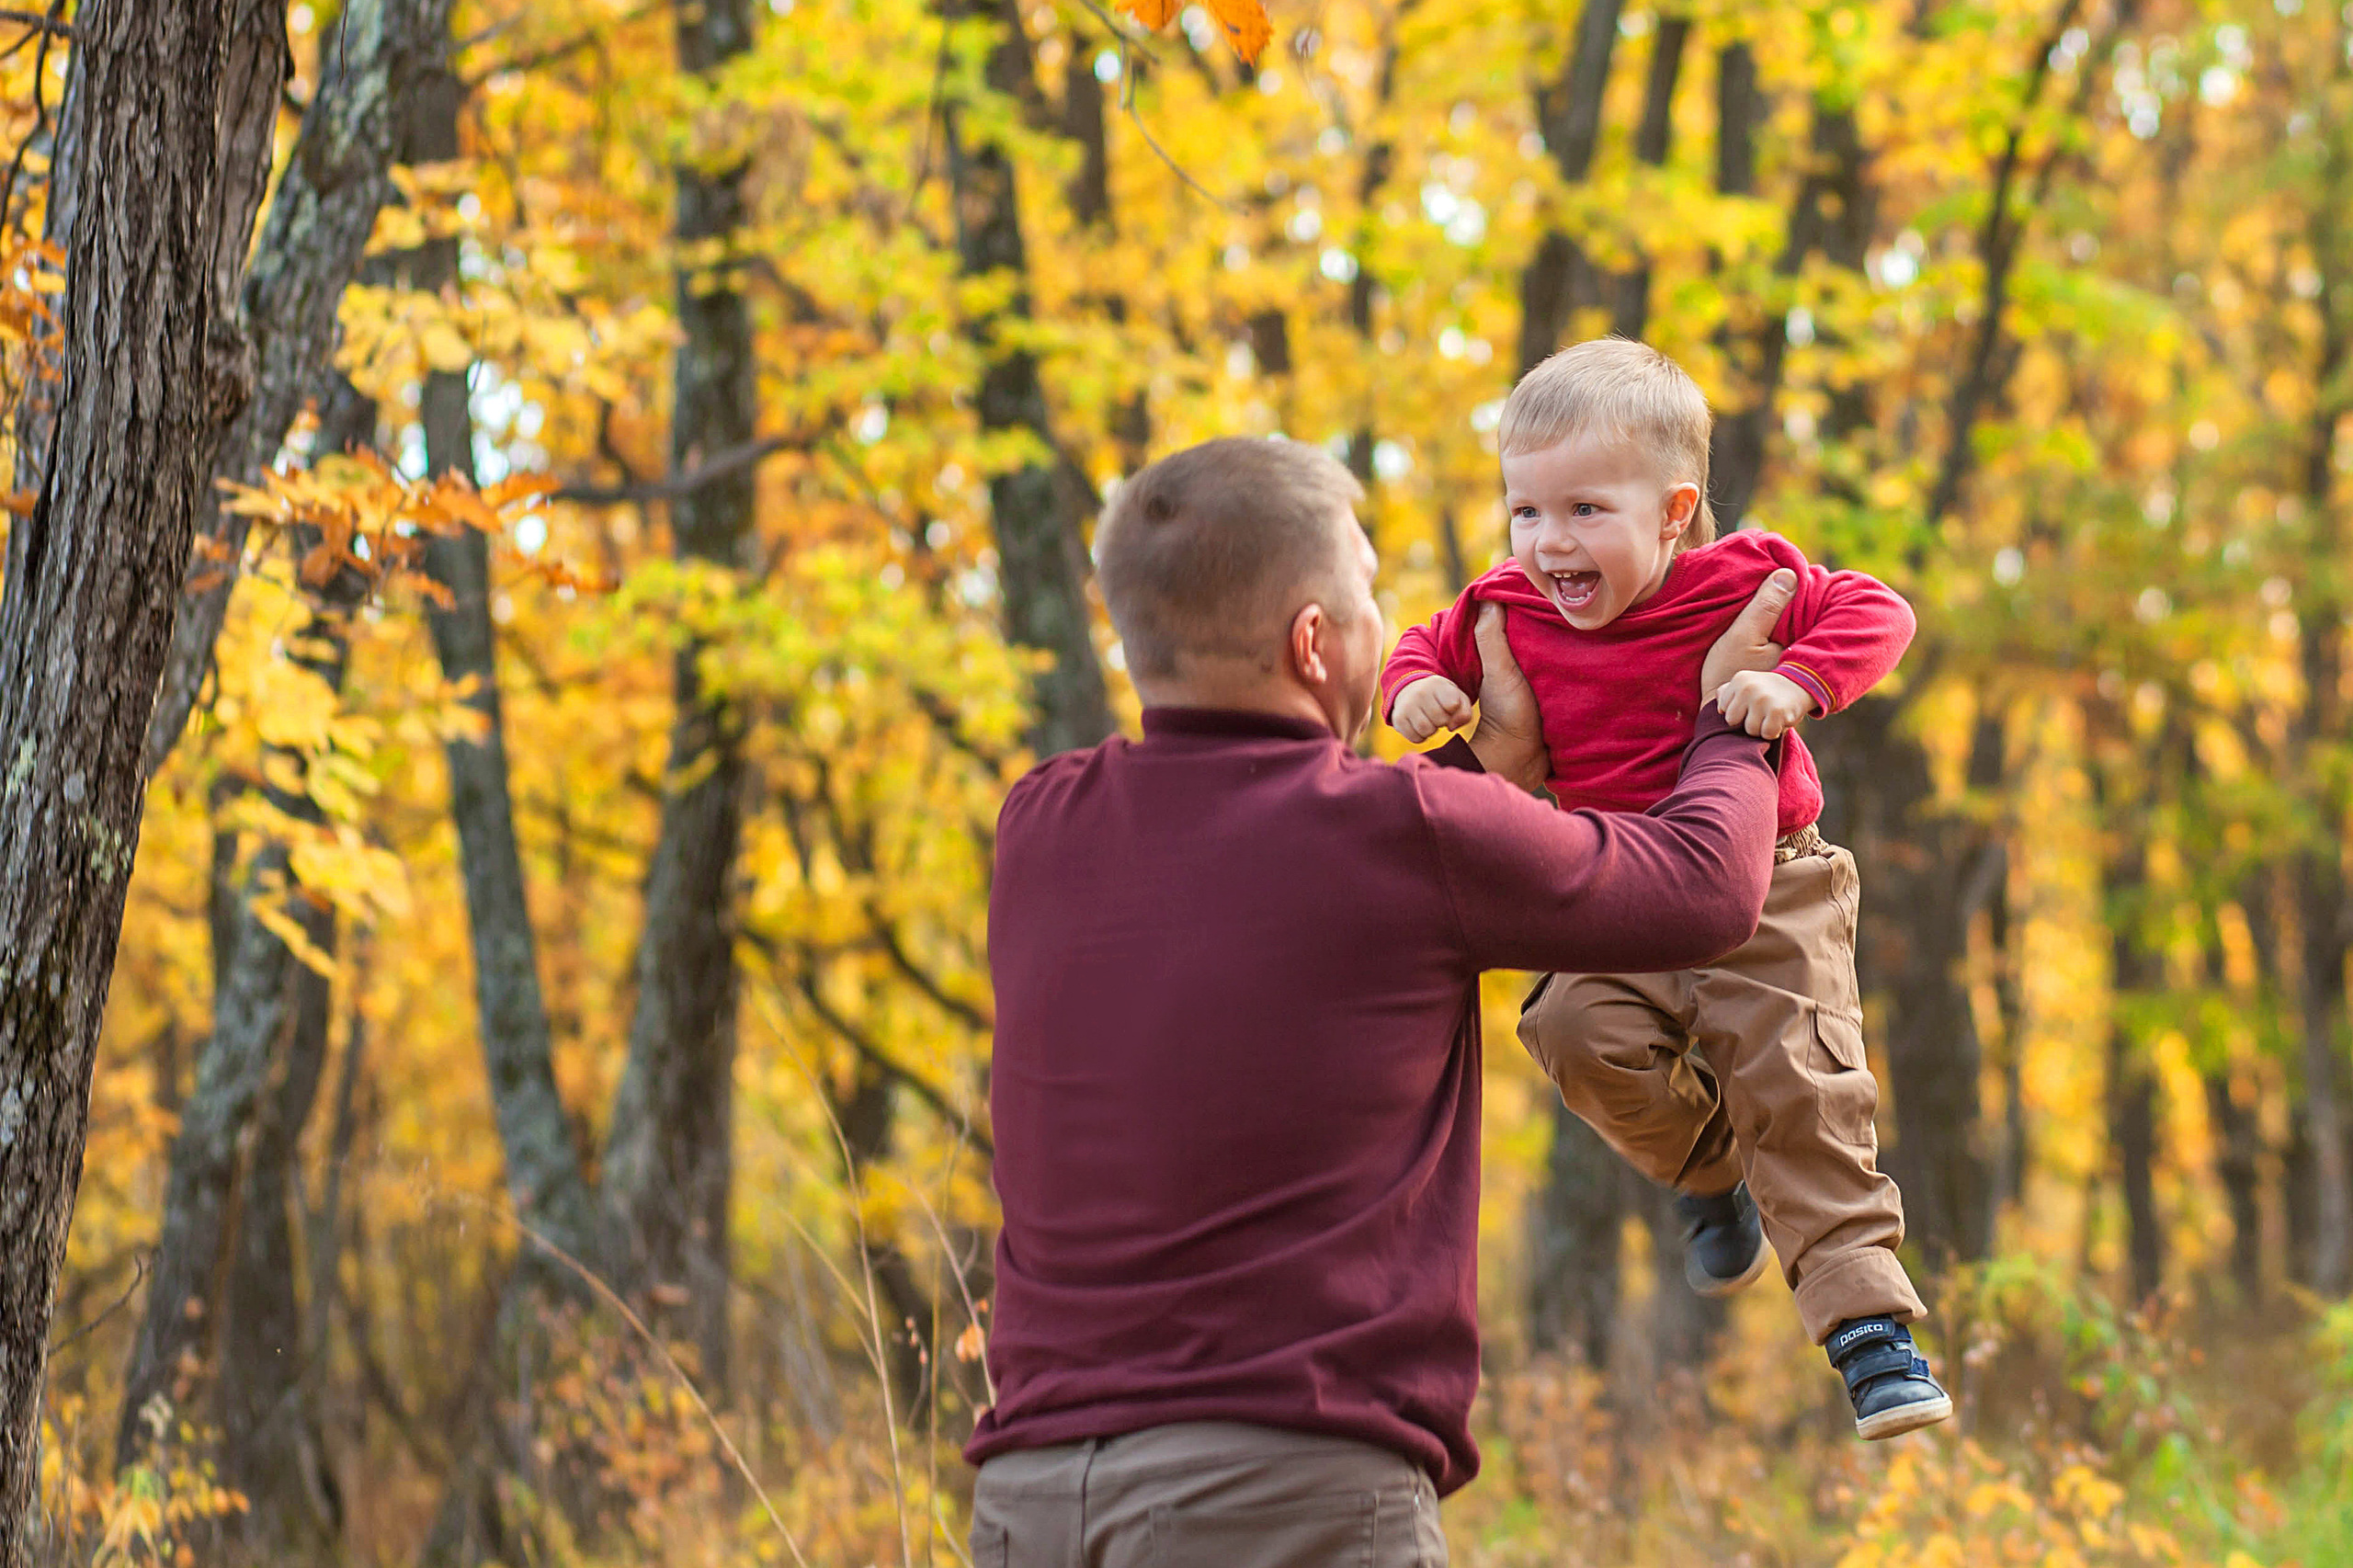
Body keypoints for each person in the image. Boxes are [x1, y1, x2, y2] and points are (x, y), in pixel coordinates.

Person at [969, 433, 1799, 1566]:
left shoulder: (1040, 825)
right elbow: (1705, 890)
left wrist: (1482, 769)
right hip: (1279, 1493)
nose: (1379, 623)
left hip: (1029, 1499)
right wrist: (1725, 715)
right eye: (1364, 594)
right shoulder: (1401, 837)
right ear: (1312, 643)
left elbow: (1286, 867)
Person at [1382, 337, 1949, 1441]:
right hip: (1618, 887)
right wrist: (1415, 689)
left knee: (1795, 1079)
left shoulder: (1747, 581)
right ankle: (1708, 1171)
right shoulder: (1508, 605)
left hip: (1770, 888)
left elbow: (1880, 613)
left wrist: (1792, 679)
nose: (1549, 544)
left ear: (1675, 510)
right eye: (1525, 511)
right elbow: (1422, 641)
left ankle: (1868, 1330)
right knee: (1573, 1025)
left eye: (1585, 510)